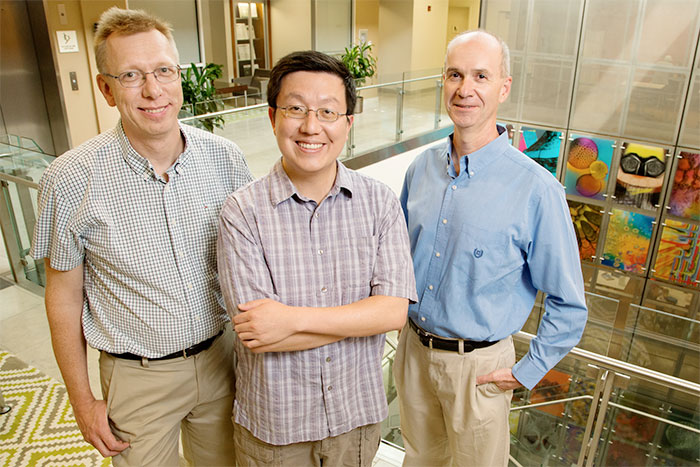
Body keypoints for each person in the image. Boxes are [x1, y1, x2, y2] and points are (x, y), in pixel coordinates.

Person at [30, 7, 252, 466]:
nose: (153, 90)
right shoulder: (70, 179)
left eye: (163, 71)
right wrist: (81, 399)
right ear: (106, 89)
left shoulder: (225, 159)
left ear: (180, 76)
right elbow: (64, 297)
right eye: (131, 75)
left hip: (223, 360)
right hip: (138, 379)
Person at [395, 30, 588, 466]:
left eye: (481, 76)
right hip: (412, 353)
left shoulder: (537, 190)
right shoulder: (420, 169)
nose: (465, 89)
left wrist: (527, 371)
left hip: (479, 369)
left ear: (503, 86)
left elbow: (569, 304)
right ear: (443, 82)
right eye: (455, 75)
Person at [217, 50, 417, 467]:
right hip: (276, 427)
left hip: (355, 420)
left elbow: (393, 313)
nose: (311, 126)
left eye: (328, 111)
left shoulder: (380, 202)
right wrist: (360, 319)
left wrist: (290, 320)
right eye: (295, 109)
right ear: (273, 117)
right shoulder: (242, 211)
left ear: (348, 123)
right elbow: (258, 334)